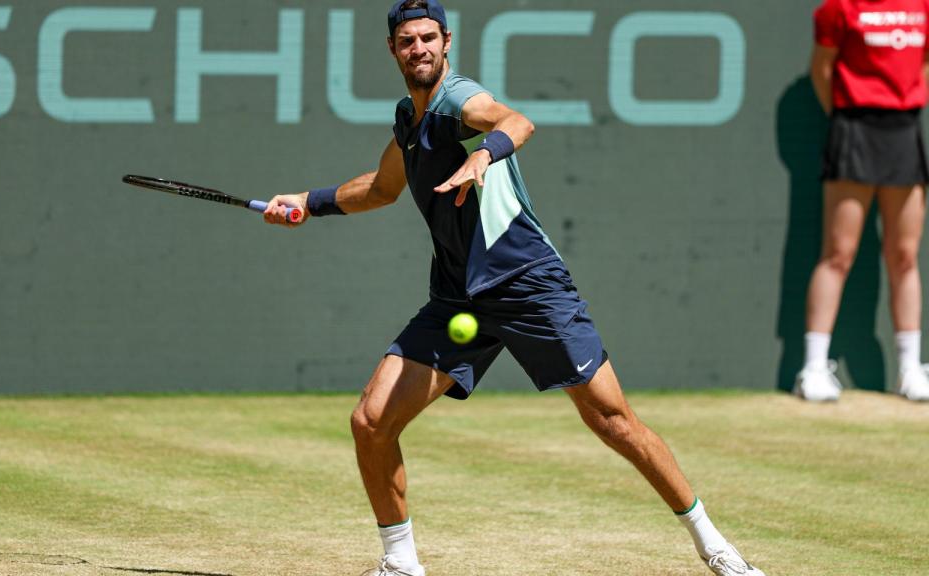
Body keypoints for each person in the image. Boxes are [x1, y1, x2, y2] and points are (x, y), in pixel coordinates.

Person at [263, 1, 765, 574]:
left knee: (612, 421)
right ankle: (401, 564)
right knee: (371, 422)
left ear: (446, 42)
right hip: (458, 297)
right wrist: (308, 202)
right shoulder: (409, 117)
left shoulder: (458, 99)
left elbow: (516, 122)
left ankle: (716, 547)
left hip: (527, 284)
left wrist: (483, 159)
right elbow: (381, 187)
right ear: (393, 50)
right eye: (408, 41)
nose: (419, 49)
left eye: (429, 38)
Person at [795, 0, 929, 402]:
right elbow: (822, 69)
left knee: (905, 254)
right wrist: (845, 119)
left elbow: (922, 65)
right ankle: (813, 369)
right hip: (852, 129)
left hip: (904, 130)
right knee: (839, 253)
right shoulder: (838, 8)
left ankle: (910, 369)